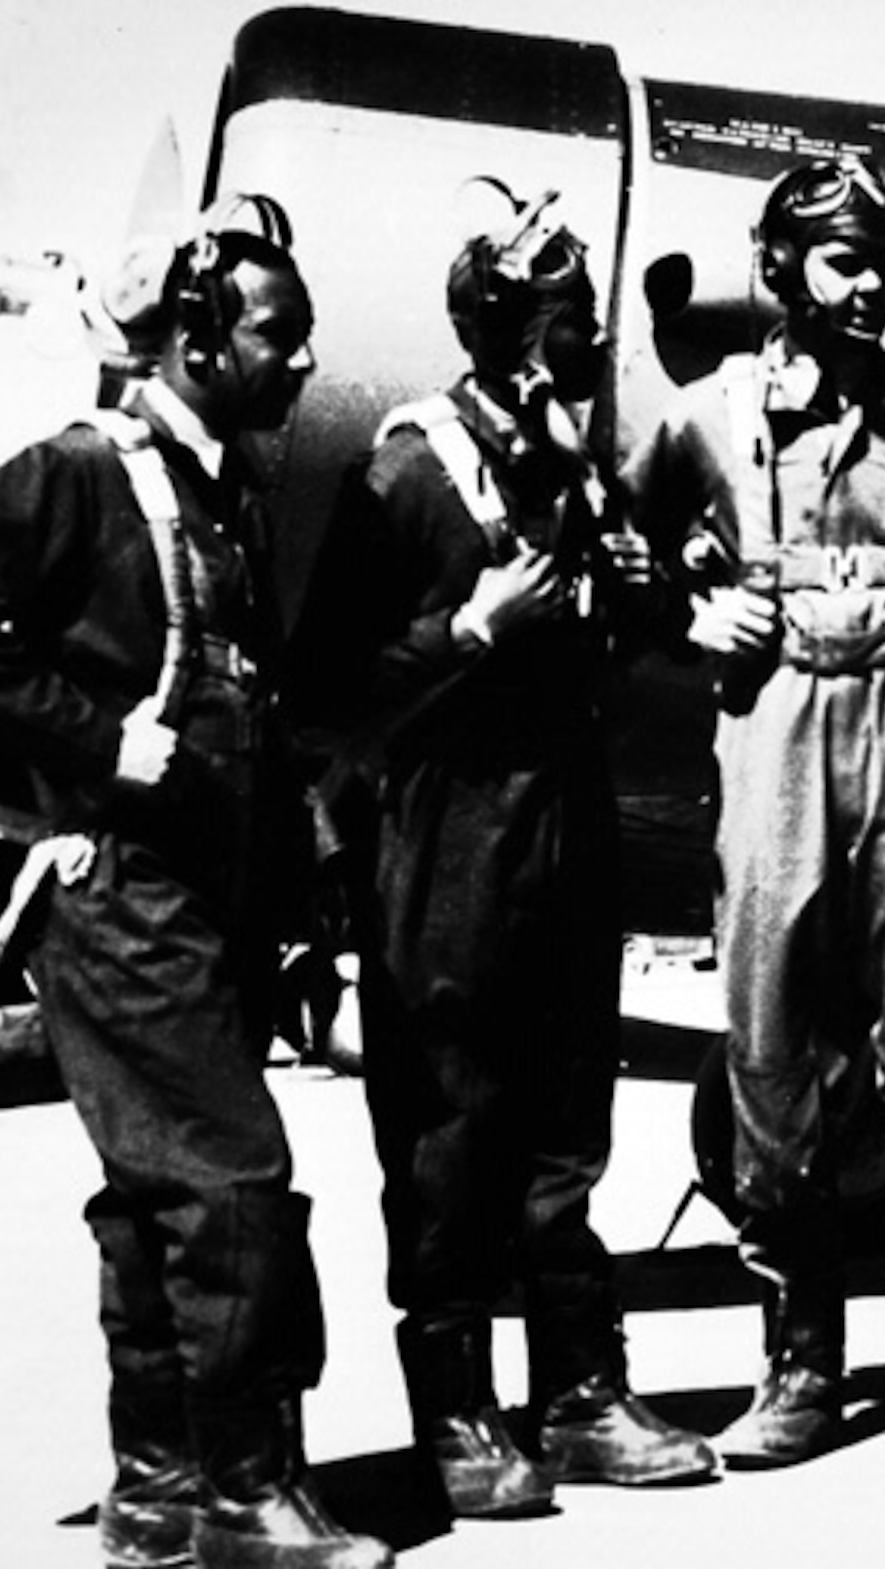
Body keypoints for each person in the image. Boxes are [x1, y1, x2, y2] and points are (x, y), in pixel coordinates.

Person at [0, 200, 395, 1568]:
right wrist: (99, 740)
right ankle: (243, 1491)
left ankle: (157, 1494)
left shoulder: (216, 487)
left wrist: (308, 885)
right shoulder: (84, 470)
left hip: (200, 903)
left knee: (157, 1197)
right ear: (194, 341)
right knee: (234, 1179)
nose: (301, 362)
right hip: (119, 900)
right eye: (278, 335)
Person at [288, 183, 717, 1517]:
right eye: (570, 322)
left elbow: (615, 629)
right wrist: (471, 624)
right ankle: (460, 1407)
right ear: (507, 332)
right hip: (446, 826)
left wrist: (652, 587)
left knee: (567, 1104)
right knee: (449, 1114)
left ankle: (582, 1389)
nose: (591, 345)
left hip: (562, 811)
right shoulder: (413, 470)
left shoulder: (571, 466)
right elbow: (326, 693)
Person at [621, 153, 885, 1467]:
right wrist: (692, 611)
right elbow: (623, 540)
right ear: (782, 268)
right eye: (845, 260)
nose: (871, 286)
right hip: (778, 726)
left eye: (883, 262)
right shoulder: (709, 413)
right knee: (772, 1042)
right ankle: (799, 1360)